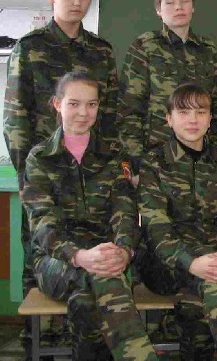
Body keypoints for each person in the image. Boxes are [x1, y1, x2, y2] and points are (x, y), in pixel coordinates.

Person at [4, 0, 120, 354]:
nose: (77, 2)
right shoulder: (30, 47)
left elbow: (112, 115)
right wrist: (29, 173)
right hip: (46, 171)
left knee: (89, 253)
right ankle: (36, 338)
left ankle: (82, 336)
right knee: (40, 249)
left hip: (93, 170)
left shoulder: (100, 51)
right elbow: (15, 116)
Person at [22, 72, 156, 360]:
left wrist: (124, 251)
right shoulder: (40, 159)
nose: (83, 113)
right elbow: (43, 224)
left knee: (85, 303)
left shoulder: (113, 155)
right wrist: (80, 256)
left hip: (107, 255)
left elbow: (125, 212)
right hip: (57, 261)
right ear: (57, 104)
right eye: (74, 104)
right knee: (106, 280)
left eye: (91, 105)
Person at [136, 83, 217, 360]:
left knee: (199, 312)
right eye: (183, 112)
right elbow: (156, 228)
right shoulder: (154, 163)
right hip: (165, 265)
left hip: (214, 259)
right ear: (168, 118)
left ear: (210, 118)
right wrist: (191, 263)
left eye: (200, 112)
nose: (193, 120)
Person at [118, 0, 217, 176]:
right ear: (158, 10)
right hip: (156, 157)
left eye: (185, 1)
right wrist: (137, 162)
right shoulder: (145, 46)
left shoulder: (207, 49)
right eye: (170, 2)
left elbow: (215, 105)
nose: (179, 7)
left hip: (201, 159)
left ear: (193, 7)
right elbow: (129, 108)